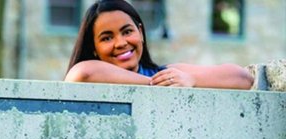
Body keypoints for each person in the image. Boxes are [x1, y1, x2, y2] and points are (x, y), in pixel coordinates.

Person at [64, 0, 253, 89]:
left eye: (127, 31)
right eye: (106, 38)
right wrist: (157, 85)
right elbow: (83, 73)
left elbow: (242, 78)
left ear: (141, 33)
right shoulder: (160, 81)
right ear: (93, 48)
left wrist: (191, 81)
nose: (121, 43)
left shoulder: (165, 74)